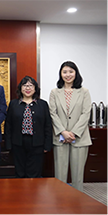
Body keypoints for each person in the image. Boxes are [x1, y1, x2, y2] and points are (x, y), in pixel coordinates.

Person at [49, 61, 92, 191]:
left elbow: (86, 113)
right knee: (60, 174)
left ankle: (77, 202)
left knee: (78, 174)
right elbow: (53, 113)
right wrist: (63, 131)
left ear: (76, 73)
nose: (68, 75)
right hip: (60, 137)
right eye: (65, 72)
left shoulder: (84, 92)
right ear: (61, 74)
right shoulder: (55, 92)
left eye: (71, 71)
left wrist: (73, 132)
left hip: (79, 138)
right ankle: (59, 201)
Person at [4, 76, 52, 178]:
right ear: (20, 88)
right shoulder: (13, 104)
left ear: (35, 89)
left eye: (30, 86)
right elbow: (8, 125)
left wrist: (47, 145)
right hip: (18, 143)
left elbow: (47, 125)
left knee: (34, 173)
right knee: (19, 172)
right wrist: (8, 145)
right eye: (25, 85)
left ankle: (33, 193)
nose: (27, 88)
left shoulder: (42, 104)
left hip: (37, 143)